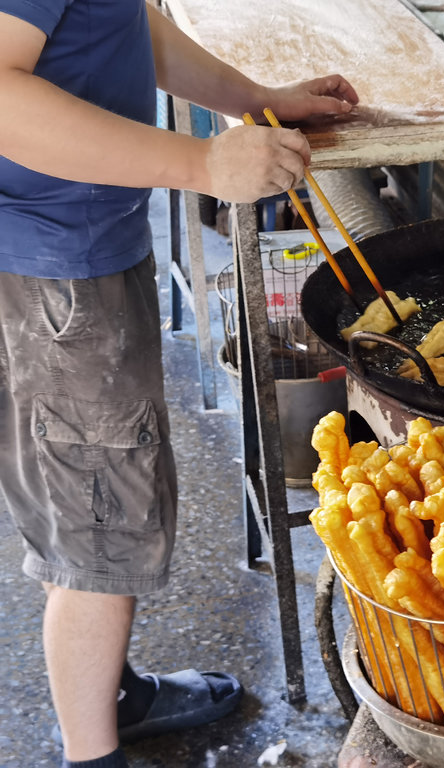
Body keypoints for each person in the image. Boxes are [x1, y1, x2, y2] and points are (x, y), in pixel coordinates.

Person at [0, 1, 359, 766]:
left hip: (66, 249)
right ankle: (91, 754)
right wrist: (200, 166)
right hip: (55, 274)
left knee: (86, 504)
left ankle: (111, 692)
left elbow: (124, 24)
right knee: (99, 525)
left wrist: (253, 100)